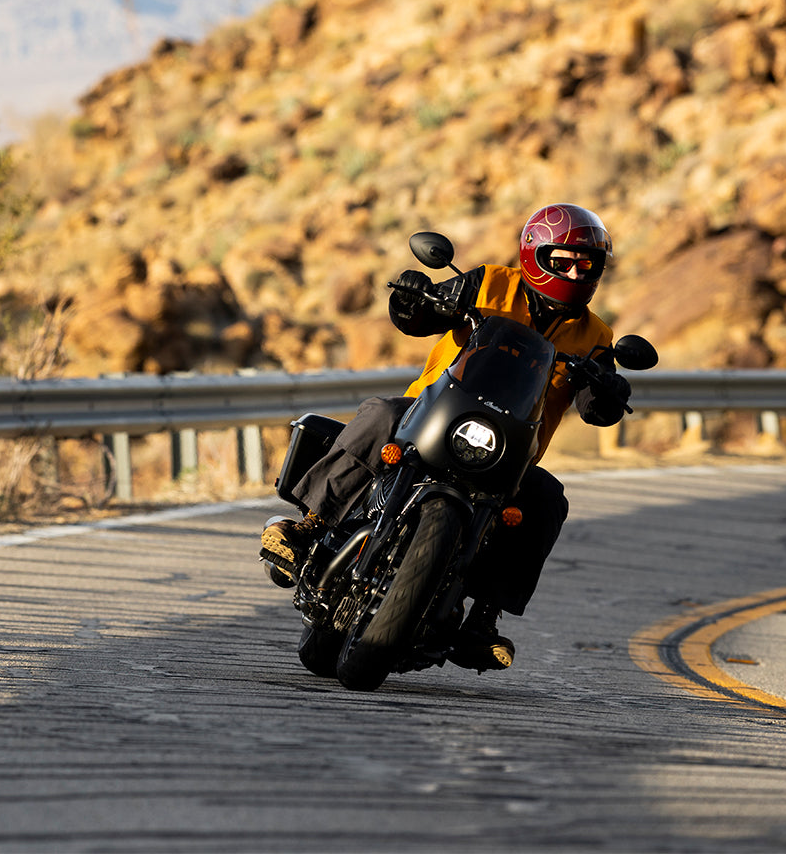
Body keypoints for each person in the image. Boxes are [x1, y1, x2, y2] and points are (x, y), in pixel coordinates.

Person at [260, 203, 632, 672]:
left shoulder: (597, 335)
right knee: (378, 413)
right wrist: (413, 298)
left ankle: (483, 620)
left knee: (547, 498)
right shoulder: (490, 283)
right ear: (536, 255)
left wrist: (609, 390)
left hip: (509, 449)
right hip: (432, 413)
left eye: (587, 263)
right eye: (564, 260)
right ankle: (307, 526)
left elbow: (594, 410)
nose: (576, 271)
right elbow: (420, 314)